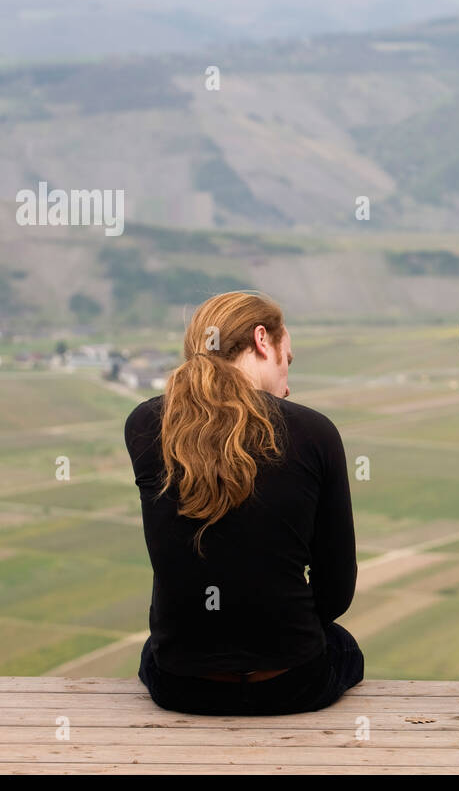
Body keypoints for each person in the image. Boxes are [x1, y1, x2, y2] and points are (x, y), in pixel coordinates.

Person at [125, 290, 363, 715]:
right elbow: (337, 591)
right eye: (287, 360)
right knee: (343, 645)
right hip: (292, 684)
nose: (287, 386)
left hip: (182, 686)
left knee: (153, 648)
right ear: (261, 340)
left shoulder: (145, 425)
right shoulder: (315, 431)